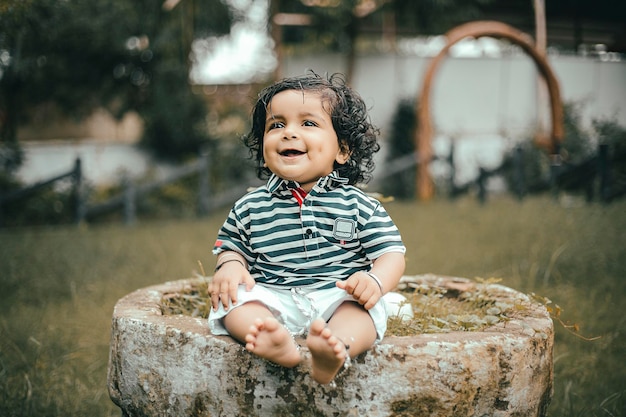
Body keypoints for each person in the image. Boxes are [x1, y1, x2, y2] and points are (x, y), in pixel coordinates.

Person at [208, 72, 406, 385]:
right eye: (276, 125)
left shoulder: (358, 206)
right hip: (273, 296)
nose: (288, 133)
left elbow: (391, 253)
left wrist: (374, 280)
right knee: (233, 303)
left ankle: (334, 349)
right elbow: (232, 247)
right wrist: (231, 267)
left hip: (336, 295)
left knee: (363, 311)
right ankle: (275, 342)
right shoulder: (251, 206)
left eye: (308, 123)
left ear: (342, 149)